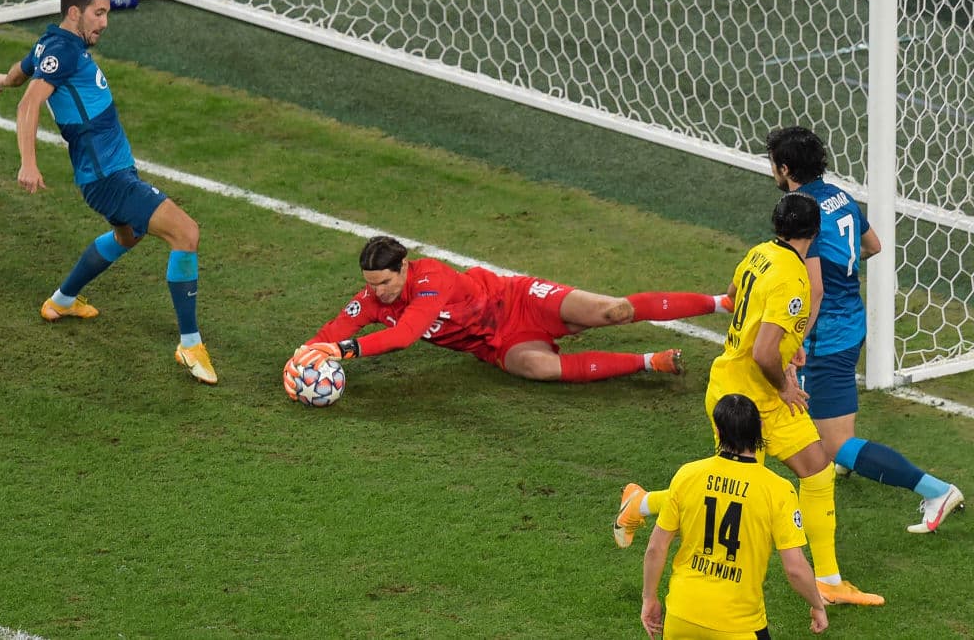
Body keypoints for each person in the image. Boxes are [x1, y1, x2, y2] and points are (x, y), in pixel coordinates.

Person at [616, 192, 884, 606]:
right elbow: (761, 353)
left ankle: (829, 580)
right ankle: (641, 503)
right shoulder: (793, 278)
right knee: (732, 491)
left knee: (816, 469)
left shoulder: (759, 254)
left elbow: (736, 296)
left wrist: (787, 342)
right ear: (814, 234)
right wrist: (784, 381)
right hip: (742, 398)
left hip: (761, 391)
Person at [0, 0, 216, 385]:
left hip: (111, 172)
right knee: (187, 234)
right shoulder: (63, 51)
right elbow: (29, 102)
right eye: (98, 13)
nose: (104, 22)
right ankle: (189, 344)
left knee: (129, 236)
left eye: (106, 13)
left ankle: (61, 301)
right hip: (108, 179)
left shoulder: (52, 43)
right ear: (74, 12)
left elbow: (22, 74)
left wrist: (4, 79)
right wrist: (28, 162)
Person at [767, 126, 962, 534]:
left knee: (833, 441)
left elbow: (814, 289)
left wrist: (797, 340)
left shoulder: (802, 210)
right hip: (852, 320)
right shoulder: (839, 195)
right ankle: (843, 460)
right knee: (831, 431)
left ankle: (936, 490)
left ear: (785, 168)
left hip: (828, 334)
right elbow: (872, 245)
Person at [287, 235, 731, 386]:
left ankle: (721, 302)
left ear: (403, 268)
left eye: (383, 283)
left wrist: (343, 353)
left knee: (611, 311)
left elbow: (405, 336)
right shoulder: (372, 297)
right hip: (494, 343)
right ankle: (648, 363)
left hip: (517, 300)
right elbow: (337, 326)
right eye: (369, 285)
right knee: (541, 368)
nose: (376, 293)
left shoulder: (431, 280)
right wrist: (303, 357)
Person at [640, 394, 828, 639]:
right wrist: (817, 605)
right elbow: (795, 569)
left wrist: (649, 598)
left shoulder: (687, 476)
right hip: (738, 626)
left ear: (718, 431)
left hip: (682, 616)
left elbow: (656, 548)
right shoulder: (778, 490)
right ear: (760, 428)